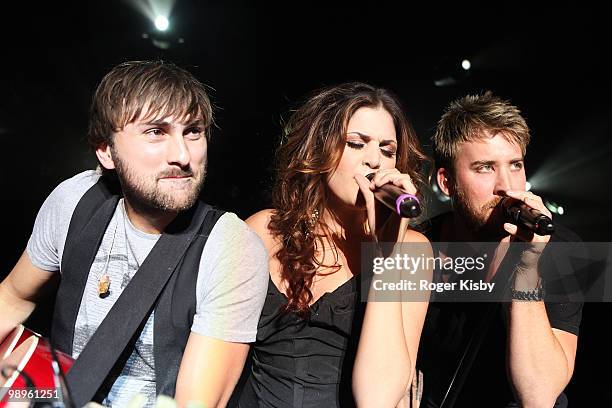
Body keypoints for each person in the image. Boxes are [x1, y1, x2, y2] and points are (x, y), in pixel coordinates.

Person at [0, 60, 269, 407]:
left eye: (193, 131)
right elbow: (15, 296)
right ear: (105, 151)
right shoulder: (75, 201)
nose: (183, 155)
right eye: (156, 132)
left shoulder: (230, 246)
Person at [237, 82, 431, 407]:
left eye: (387, 150)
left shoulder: (411, 249)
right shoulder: (264, 230)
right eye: (356, 144)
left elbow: (378, 399)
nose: (375, 161)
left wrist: (385, 256)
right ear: (319, 150)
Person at [418, 91, 583, 407]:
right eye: (484, 167)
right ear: (446, 181)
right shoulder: (417, 247)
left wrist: (526, 269)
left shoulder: (562, 248)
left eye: (516, 164)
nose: (506, 185)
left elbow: (538, 396)